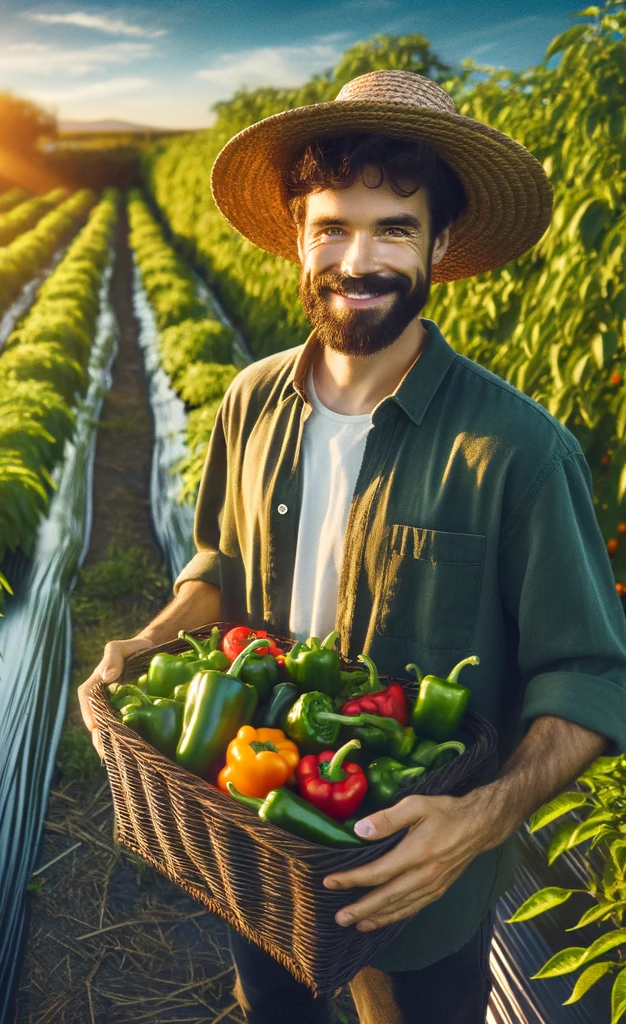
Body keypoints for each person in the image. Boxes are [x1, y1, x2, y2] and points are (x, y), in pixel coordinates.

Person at [77, 69, 626, 1023]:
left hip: (418, 879)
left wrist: (482, 818)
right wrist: (152, 638)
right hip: (263, 831)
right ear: (298, 235)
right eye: (332, 226)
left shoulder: (518, 450)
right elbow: (218, 565)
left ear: (441, 245)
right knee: (273, 1007)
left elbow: (590, 672)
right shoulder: (251, 399)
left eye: (394, 229)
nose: (357, 259)